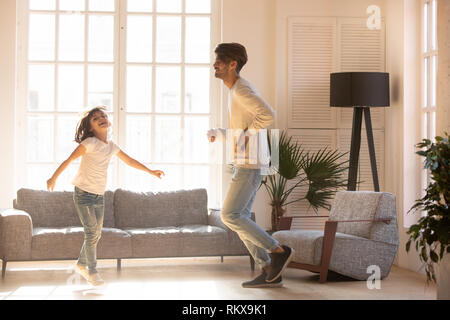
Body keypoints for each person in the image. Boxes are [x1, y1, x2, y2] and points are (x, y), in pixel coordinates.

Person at [47, 106, 164, 286]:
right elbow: (69, 160)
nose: (101, 118)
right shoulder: (89, 143)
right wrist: (53, 177)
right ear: (91, 127)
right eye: (95, 118)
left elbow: (130, 161)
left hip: (99, 196)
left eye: (103, 115)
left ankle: (81, 264)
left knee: (96, 234)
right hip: (83, 194)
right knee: (91, 232)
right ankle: (92, 271)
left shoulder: (111, 146)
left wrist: (150, 171)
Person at [208, 43, 294, 288]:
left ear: (232, 64)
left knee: (230, 215)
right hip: (246, 162)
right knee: (240, 216)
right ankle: (268, 270)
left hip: (251, 162)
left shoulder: (241, 90)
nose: (215, 65)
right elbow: (242, 127)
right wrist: (220, 133)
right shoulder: (234, 90)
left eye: (219, 61)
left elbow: (268, 114)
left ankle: (277, 251)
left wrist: (246, 136)